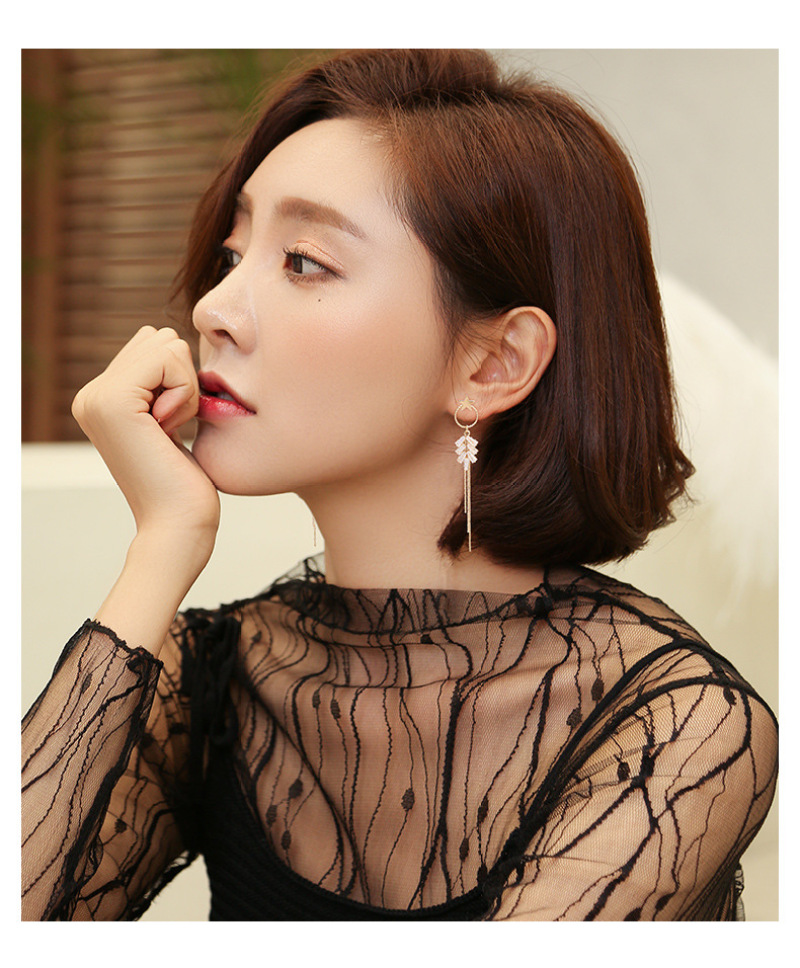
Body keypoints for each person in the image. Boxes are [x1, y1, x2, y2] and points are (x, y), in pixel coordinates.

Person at [21, 48, 777, 921]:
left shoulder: (674, 725)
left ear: (494, 364)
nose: (211, 310)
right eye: (233, 254)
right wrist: (162, 544)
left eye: (303, 261)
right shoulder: (211, 682)